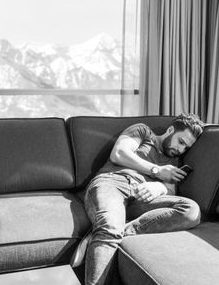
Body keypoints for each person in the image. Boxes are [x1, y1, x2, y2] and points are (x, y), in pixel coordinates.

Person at [71, 113, 204, 285]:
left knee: (191, 210)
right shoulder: (143, 131)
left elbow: (171, 189)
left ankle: (103, 234)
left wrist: (159, 187)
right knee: (110, 227)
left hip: (141, 199)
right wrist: (156, 171)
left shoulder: (174, 160)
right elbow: (118, 153)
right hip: (113, 183)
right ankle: (109, 230)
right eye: (181, 141)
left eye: (186, 148)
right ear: (170, 130)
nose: (181, 149)